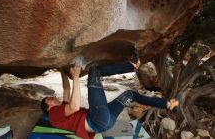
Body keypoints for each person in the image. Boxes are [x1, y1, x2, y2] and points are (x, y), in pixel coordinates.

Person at [40, 56, 180, 139]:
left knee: (129, 94)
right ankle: (131, 65)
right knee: (94, 72)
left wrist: (60, 70)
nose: (52, 97)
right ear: (48, 105)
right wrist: (76, 77)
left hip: (106, 123)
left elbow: (66, 88)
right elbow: (75, 107)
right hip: (96, 119)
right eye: (49, 98)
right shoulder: (53, 114)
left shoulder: (60, 109)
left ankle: (169, 105)